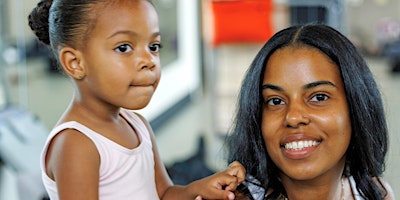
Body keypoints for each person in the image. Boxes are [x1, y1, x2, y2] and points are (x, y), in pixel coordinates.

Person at [28, 0, 245, 199]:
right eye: (124, 48)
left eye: (154, 47)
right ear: (75, 63)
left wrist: (197, 188)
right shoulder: (76, 144)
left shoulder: (137, 125)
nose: (148, 61)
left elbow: (163, 192)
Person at [225, 24, 395, 200]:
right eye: (276, 101)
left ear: (356, 106)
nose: (293, 117)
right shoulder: (235, 197)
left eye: (319, 97)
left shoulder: (375, 193)